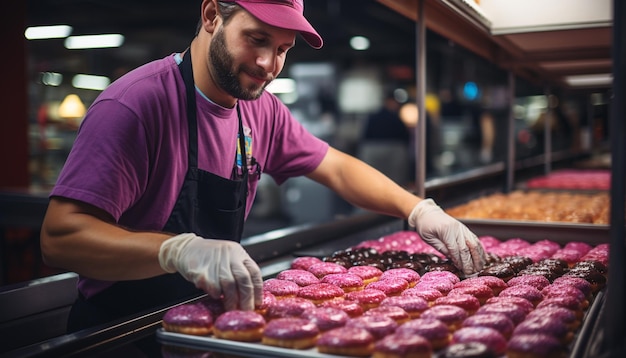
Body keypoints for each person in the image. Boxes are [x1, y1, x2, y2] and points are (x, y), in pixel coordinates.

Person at [40, 0, 486, 335]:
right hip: (120, 331)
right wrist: (176, 251)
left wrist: (419, 211)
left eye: (283, 49)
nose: (268, 64)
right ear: (212, 15)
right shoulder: (137, 105)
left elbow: (336, 168)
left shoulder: (260, 112)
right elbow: (61, 238)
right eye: (256, 39)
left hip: (209, 320)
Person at [358, 90, 411, 185]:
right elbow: (405, 137)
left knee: (373, 180)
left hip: (373, 149)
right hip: (391, 149)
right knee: (394, 181)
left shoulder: (373, 117)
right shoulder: (396, 118)